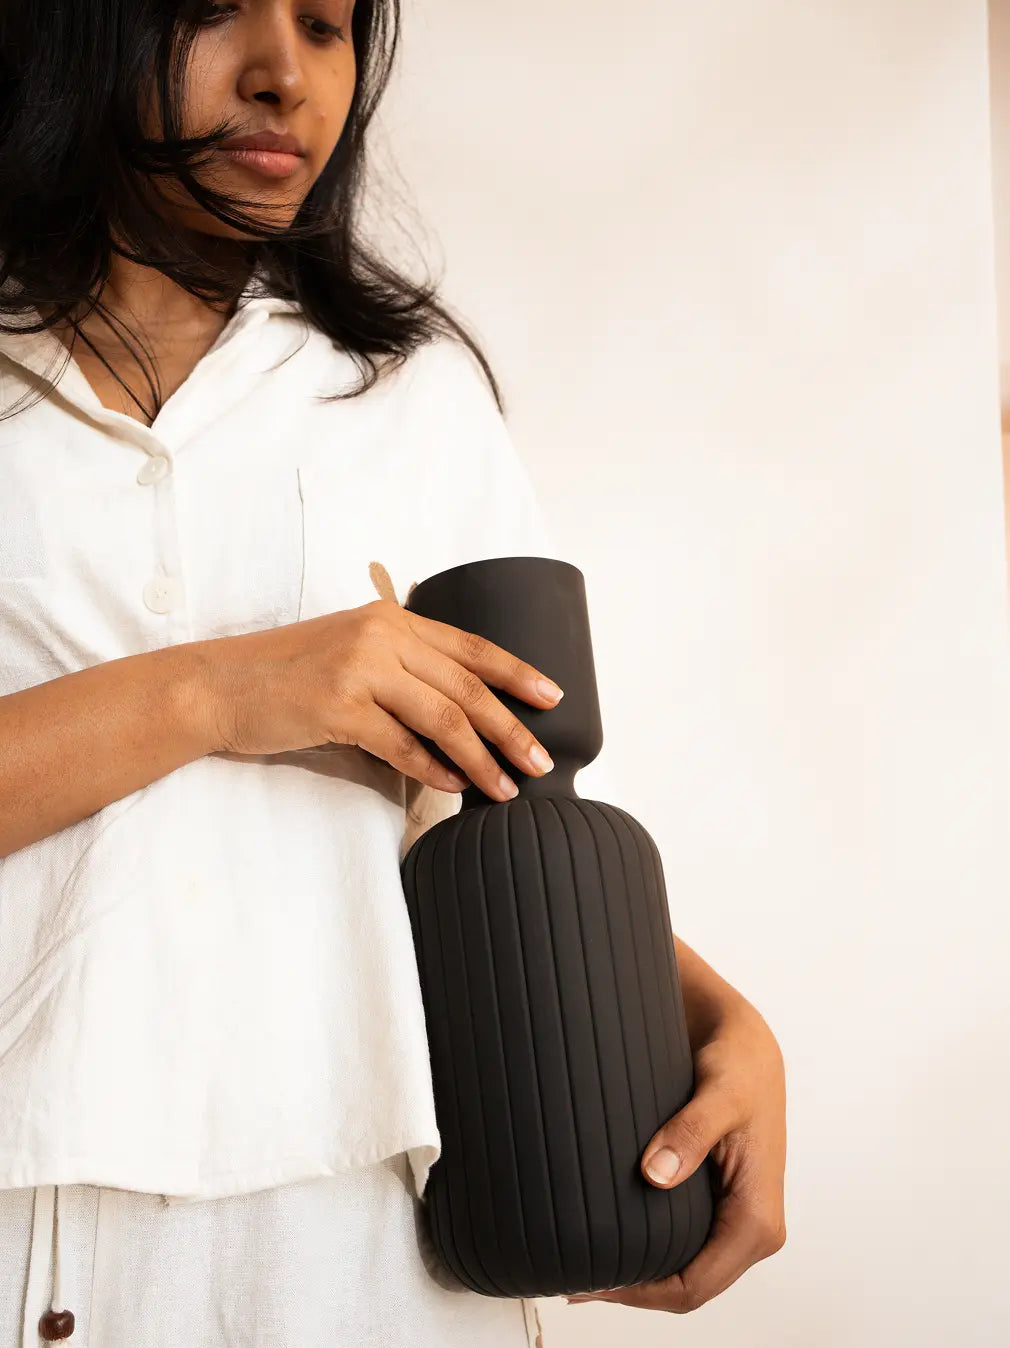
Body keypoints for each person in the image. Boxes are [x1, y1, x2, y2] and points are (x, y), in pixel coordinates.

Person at [0, 1, 788, 1343]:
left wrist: (721, 1020)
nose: (283, 73)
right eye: (211, 10)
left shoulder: (411, 399)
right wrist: (218, 694)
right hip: (42, 1232)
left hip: (370, 1256)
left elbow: (503, 808)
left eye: (326, 24)